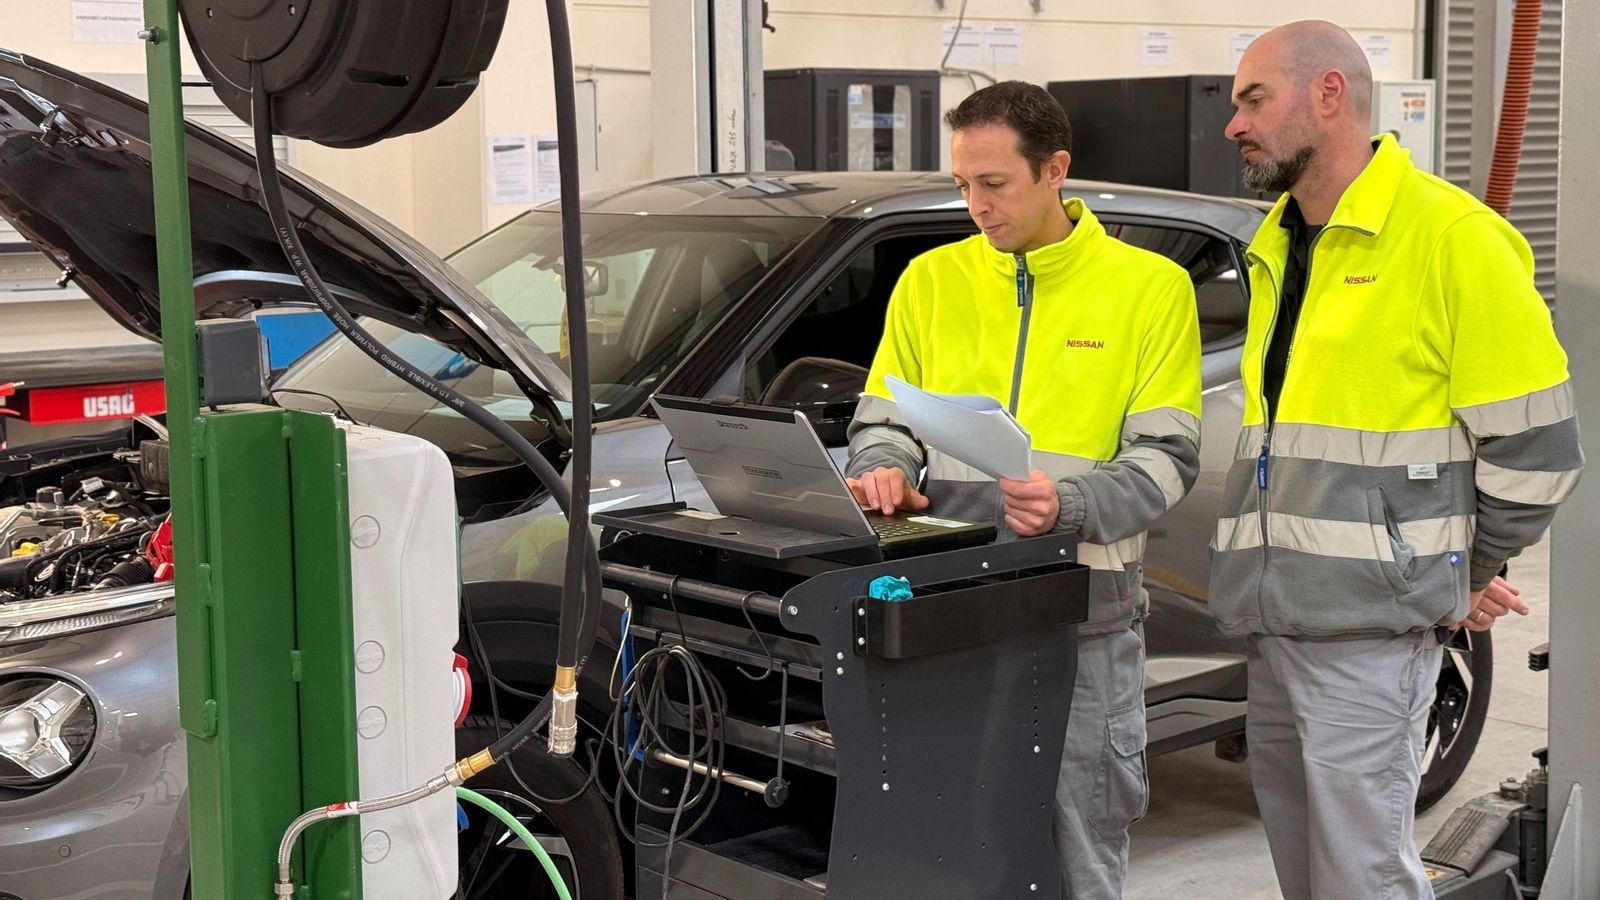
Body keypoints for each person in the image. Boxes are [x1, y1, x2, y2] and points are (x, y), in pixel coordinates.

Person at [1210, 20, 1583, 900]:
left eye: (1254, 99)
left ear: (1328, 94)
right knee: (1307, 873)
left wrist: (1455, 570)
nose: (1234, 124)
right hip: (1274, 621)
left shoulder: (1451, 238)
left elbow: (1538, 453)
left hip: (1370, 636)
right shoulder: (1279, 244)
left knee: (1361, 877)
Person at [845, 80, 1202, 899]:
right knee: (950, 860)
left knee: (1079, 859)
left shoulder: (1149, 289)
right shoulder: (930, 282)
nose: (975, 205)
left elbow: (1167, 459)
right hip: (946, 622)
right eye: (962, 184)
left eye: (994, 183)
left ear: (1055, 170)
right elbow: (882, 418)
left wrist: (1070, 506)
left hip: (1081, 626)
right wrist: (883, 465)